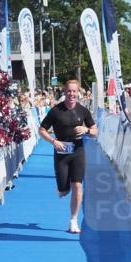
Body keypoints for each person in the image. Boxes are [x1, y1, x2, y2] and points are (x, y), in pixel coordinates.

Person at [37, 79, 97, 234]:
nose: (71, 94)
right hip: (61, 154)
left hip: (78, 152)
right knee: (64, 191)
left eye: (74, 91)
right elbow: (41, 130)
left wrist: (86, 130)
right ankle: (62, 189)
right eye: (69, 91)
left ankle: (73, 220)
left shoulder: (83, 111)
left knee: (77, 185)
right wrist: (53, 141)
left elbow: (95, 131)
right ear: (64, 92)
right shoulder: (56, 111)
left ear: (78, 93)